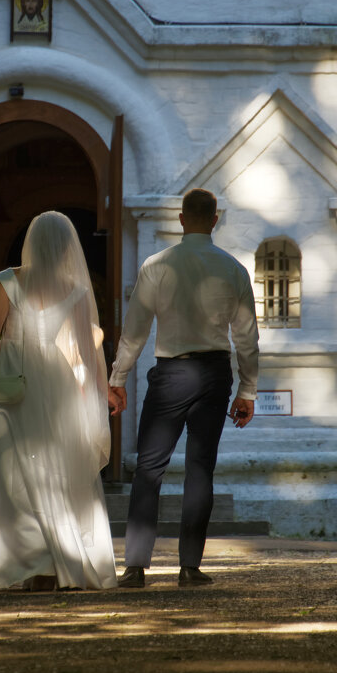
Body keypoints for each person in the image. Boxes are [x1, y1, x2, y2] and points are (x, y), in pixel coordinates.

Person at [0, 211, 118, 591]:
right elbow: (85, 351)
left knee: (10, 470)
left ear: (31, 242)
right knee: (54, 469)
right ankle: (54, 561)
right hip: (55, 378)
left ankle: (23, 560)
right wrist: (99, 392)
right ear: (68, 247)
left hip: (11, 374)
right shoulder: (75, 289)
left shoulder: (10, 279)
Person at [108, 188, 258, 588]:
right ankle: (190, 567)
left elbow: (135, 330)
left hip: (171, 372)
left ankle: (136, 567)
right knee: (199, 469)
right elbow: (246, 337)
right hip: (213, 374)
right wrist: (248, 390)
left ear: (180, 219)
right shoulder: (233, 269)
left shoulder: (157, 265)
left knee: (149, 469)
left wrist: (117, 379)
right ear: (214, 220)